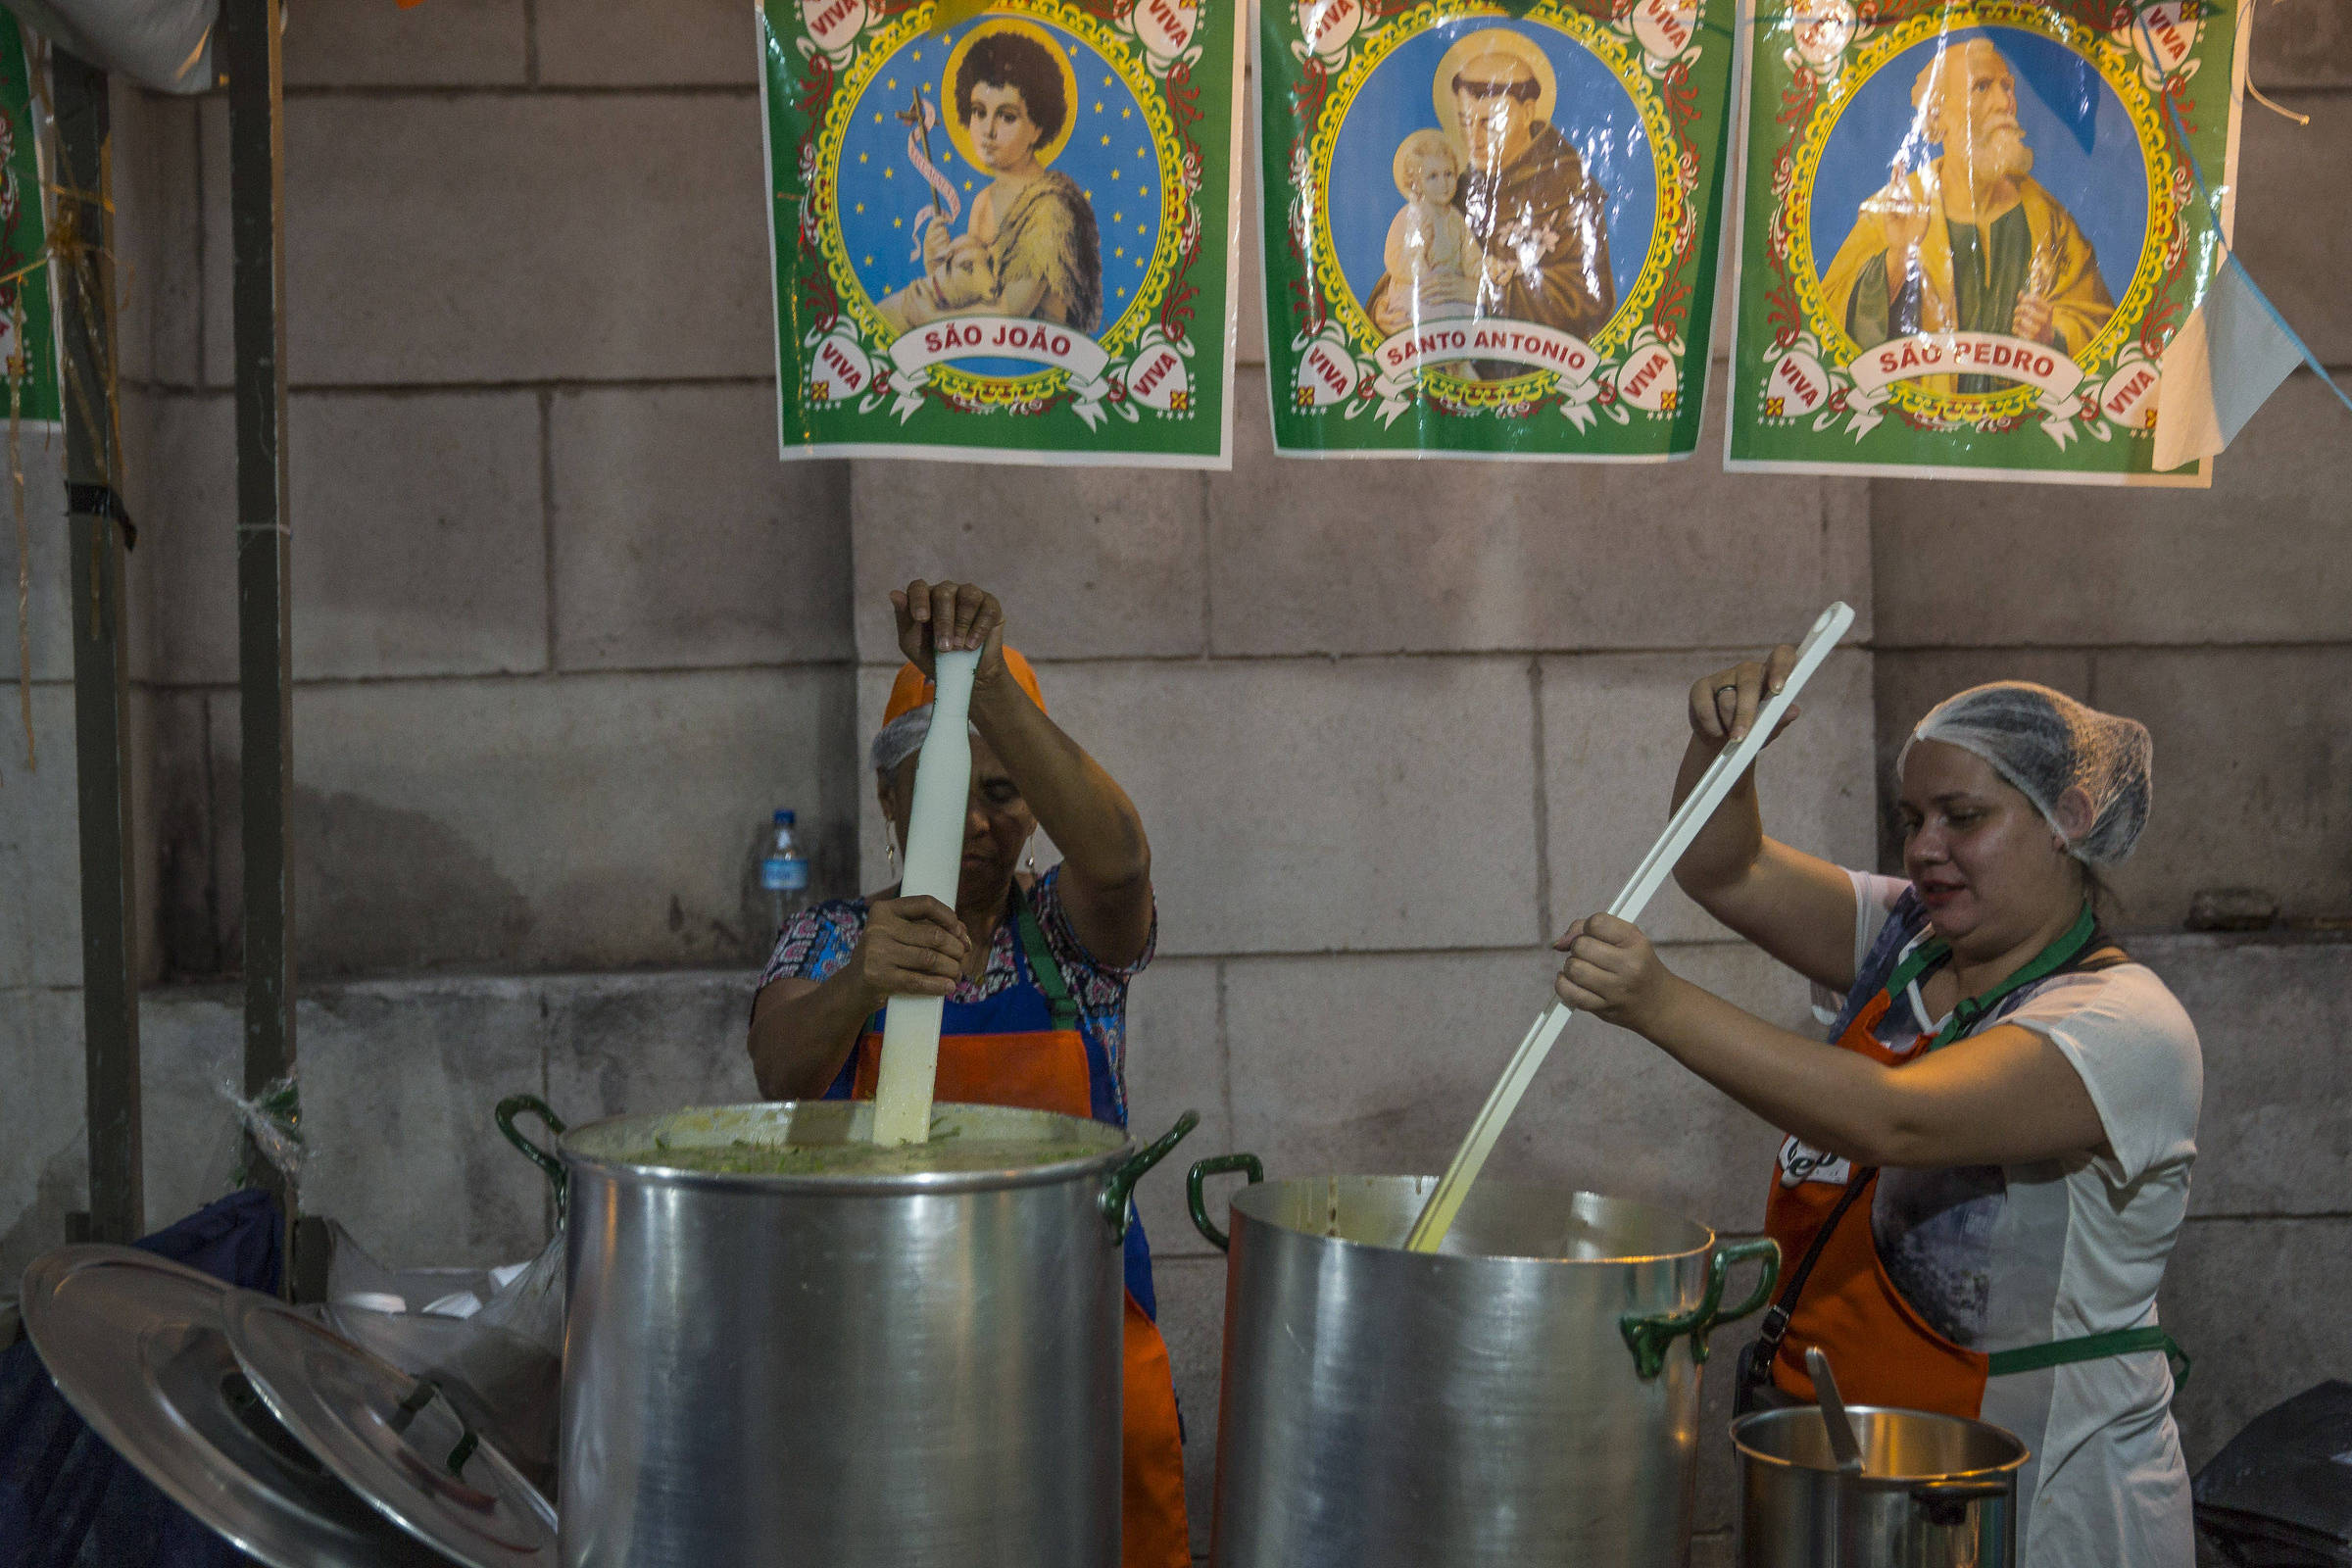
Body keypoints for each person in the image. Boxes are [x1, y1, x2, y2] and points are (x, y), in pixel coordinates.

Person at [1550, 663, 2198, 1566]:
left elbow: (1895, 1121)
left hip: (2035, 1492)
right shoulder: (1909, 939)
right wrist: (1725, 749)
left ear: (2071, 819)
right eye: (1913, 819)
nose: (1926, 849)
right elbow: (1724, 866)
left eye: (1963, 816)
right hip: (1849, 1473)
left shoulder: (2123, 1025)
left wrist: (1659, 1003)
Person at [747, 580, 1187, 1568]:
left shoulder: (1069, 940)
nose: (979, 824)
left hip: (1076, 1343)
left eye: (1004, 794)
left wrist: (986, 690)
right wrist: (863, 979)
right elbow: (779, 1067)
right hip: (886, 1342)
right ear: (888, 797)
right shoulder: (829, 938)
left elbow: (1121, 868)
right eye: (951, 790)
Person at [1820, 35, 2114, 394]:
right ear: (1938, 113)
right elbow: (1829, 323)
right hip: (1922, 440)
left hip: (2020, 439)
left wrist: (2052, 335)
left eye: (2008, 86)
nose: (2005, 101)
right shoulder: (1896, 208)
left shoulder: (2048, 217)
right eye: (1983, 87)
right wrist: (1898, 257)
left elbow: (2099, 324)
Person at [1370, 28, 1615, 351]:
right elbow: (1413, 261)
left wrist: (1487, 291)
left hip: (1531, 369)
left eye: (1490, 122)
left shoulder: (1568, 185)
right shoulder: (1454, 185)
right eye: (1465, 121)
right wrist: (1384, 311)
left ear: (1528, 113)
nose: (1474, 138)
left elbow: (1589, 300)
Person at [879, 27, 1104, 335]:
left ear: (1038, 127)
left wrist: (928, 317)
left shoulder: (1050, 208)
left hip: (1038, 358)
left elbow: (1012, 311)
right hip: (988, 352)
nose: (988, 131)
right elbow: (974, 293)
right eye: (979, 112)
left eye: (1007, 116)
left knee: (904, 308)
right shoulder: (984, 201)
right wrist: (938, 267)